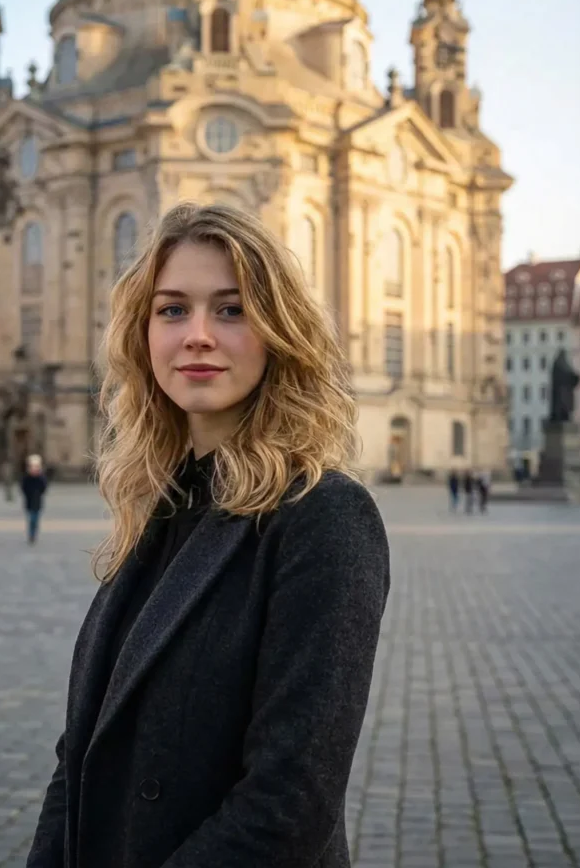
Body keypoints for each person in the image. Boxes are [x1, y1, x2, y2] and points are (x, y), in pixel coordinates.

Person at [27, 203, 390, 868]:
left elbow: (290, 800)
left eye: (230, 309)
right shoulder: (156, 502)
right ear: (142, 335)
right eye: (171, 310)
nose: (196, 334)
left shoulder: (323, 515)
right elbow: (79, 754)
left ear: (280, 334)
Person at [21, 454, 48, 544]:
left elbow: (44, 487)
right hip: (29, 501)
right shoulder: (27, 477)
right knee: (31, 519)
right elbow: (23, 488)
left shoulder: (41, 478)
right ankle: (31, 534)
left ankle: (33, 534)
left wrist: (39, 475)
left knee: (35, 519)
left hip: (37, 502)